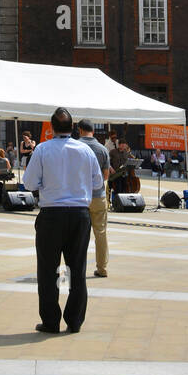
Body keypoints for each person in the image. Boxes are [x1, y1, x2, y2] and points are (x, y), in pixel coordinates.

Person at [23, 107, 103, 333]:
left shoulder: (42, 149)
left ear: (51, 128)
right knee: (77, 269)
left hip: (52, 214)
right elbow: (97, 184)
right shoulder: (85, 151)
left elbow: (29, 184)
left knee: (48, 270)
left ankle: (51, 321)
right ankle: (75, 320)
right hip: (79, 214)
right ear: (74, 128)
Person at [76, 118, 110, 278]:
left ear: (80, 130)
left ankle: (77, 269)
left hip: (78, 197)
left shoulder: (74, 146)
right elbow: (105, 175)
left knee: (77, 235)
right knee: (100, 233)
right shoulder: (102, 149)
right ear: (93, 131)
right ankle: (102, 268)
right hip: (98, 196)